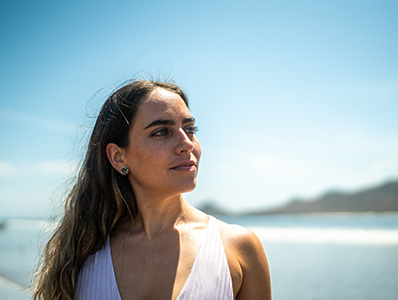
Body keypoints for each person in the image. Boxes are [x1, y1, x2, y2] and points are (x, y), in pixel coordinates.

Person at [32, 79, 271, 300]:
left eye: (190, 129)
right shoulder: (83, 250)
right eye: (161, 132)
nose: (187, 144)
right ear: (118, 157)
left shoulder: (238, 248)